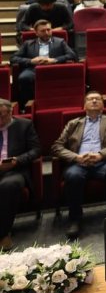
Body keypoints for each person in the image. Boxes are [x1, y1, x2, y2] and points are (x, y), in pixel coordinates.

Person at [51, 91, 106, 238]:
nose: (94, 101)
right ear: (84, 105)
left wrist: (101, 155)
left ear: (102, 104)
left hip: (103, 162)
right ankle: (75, 219)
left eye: (97, 99)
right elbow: (57, 146)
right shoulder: (73, 123)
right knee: (73, 176)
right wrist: (76, 157)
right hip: (79, 163)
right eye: (90, 99)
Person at [0, 100, 41, 251]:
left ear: (10, 113)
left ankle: (3, 233)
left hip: (14, 170)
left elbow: (36, 150)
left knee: (8, 185)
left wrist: (17, 161)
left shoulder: (24, 125)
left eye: (1, 116)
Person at [11, 19, 78, 104]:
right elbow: (13, 58)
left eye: (48, 30)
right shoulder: (28, 44)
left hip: (55, 68)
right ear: (36, 32)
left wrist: (54, 60)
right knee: (24, 78)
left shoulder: (60, 42)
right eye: (43, 31)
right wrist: (31, 61)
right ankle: (28, 104)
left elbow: (72, 55)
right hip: (34, 69)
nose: (46, 32)